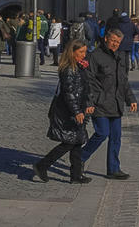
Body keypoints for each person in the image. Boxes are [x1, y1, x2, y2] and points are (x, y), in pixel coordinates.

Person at [33, 39, 95, 184]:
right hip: (68, 112)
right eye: (81, 52)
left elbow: (86, 88)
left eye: (85, 52)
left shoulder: (80, 67)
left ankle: (76, 175)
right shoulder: (68, 69)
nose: (84, 55)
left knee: (77, 142)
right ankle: (42, 165)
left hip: (78, 109)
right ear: (72, 52)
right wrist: (76, 112)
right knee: (69, 143)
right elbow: (69, 93)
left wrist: (88, 103)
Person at [82, 28, 137, 179]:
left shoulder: (121, 56)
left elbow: (123, 81)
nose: (115, 44)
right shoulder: (95, 56)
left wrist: (131, 99)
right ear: (106, 39)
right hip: (100, 103)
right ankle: (80, 158)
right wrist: (90, 101)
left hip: (116, 103)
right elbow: (88, 81)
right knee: (102, 133)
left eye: (118, 42)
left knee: (116, 137)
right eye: (113, 41)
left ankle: (113, 169)